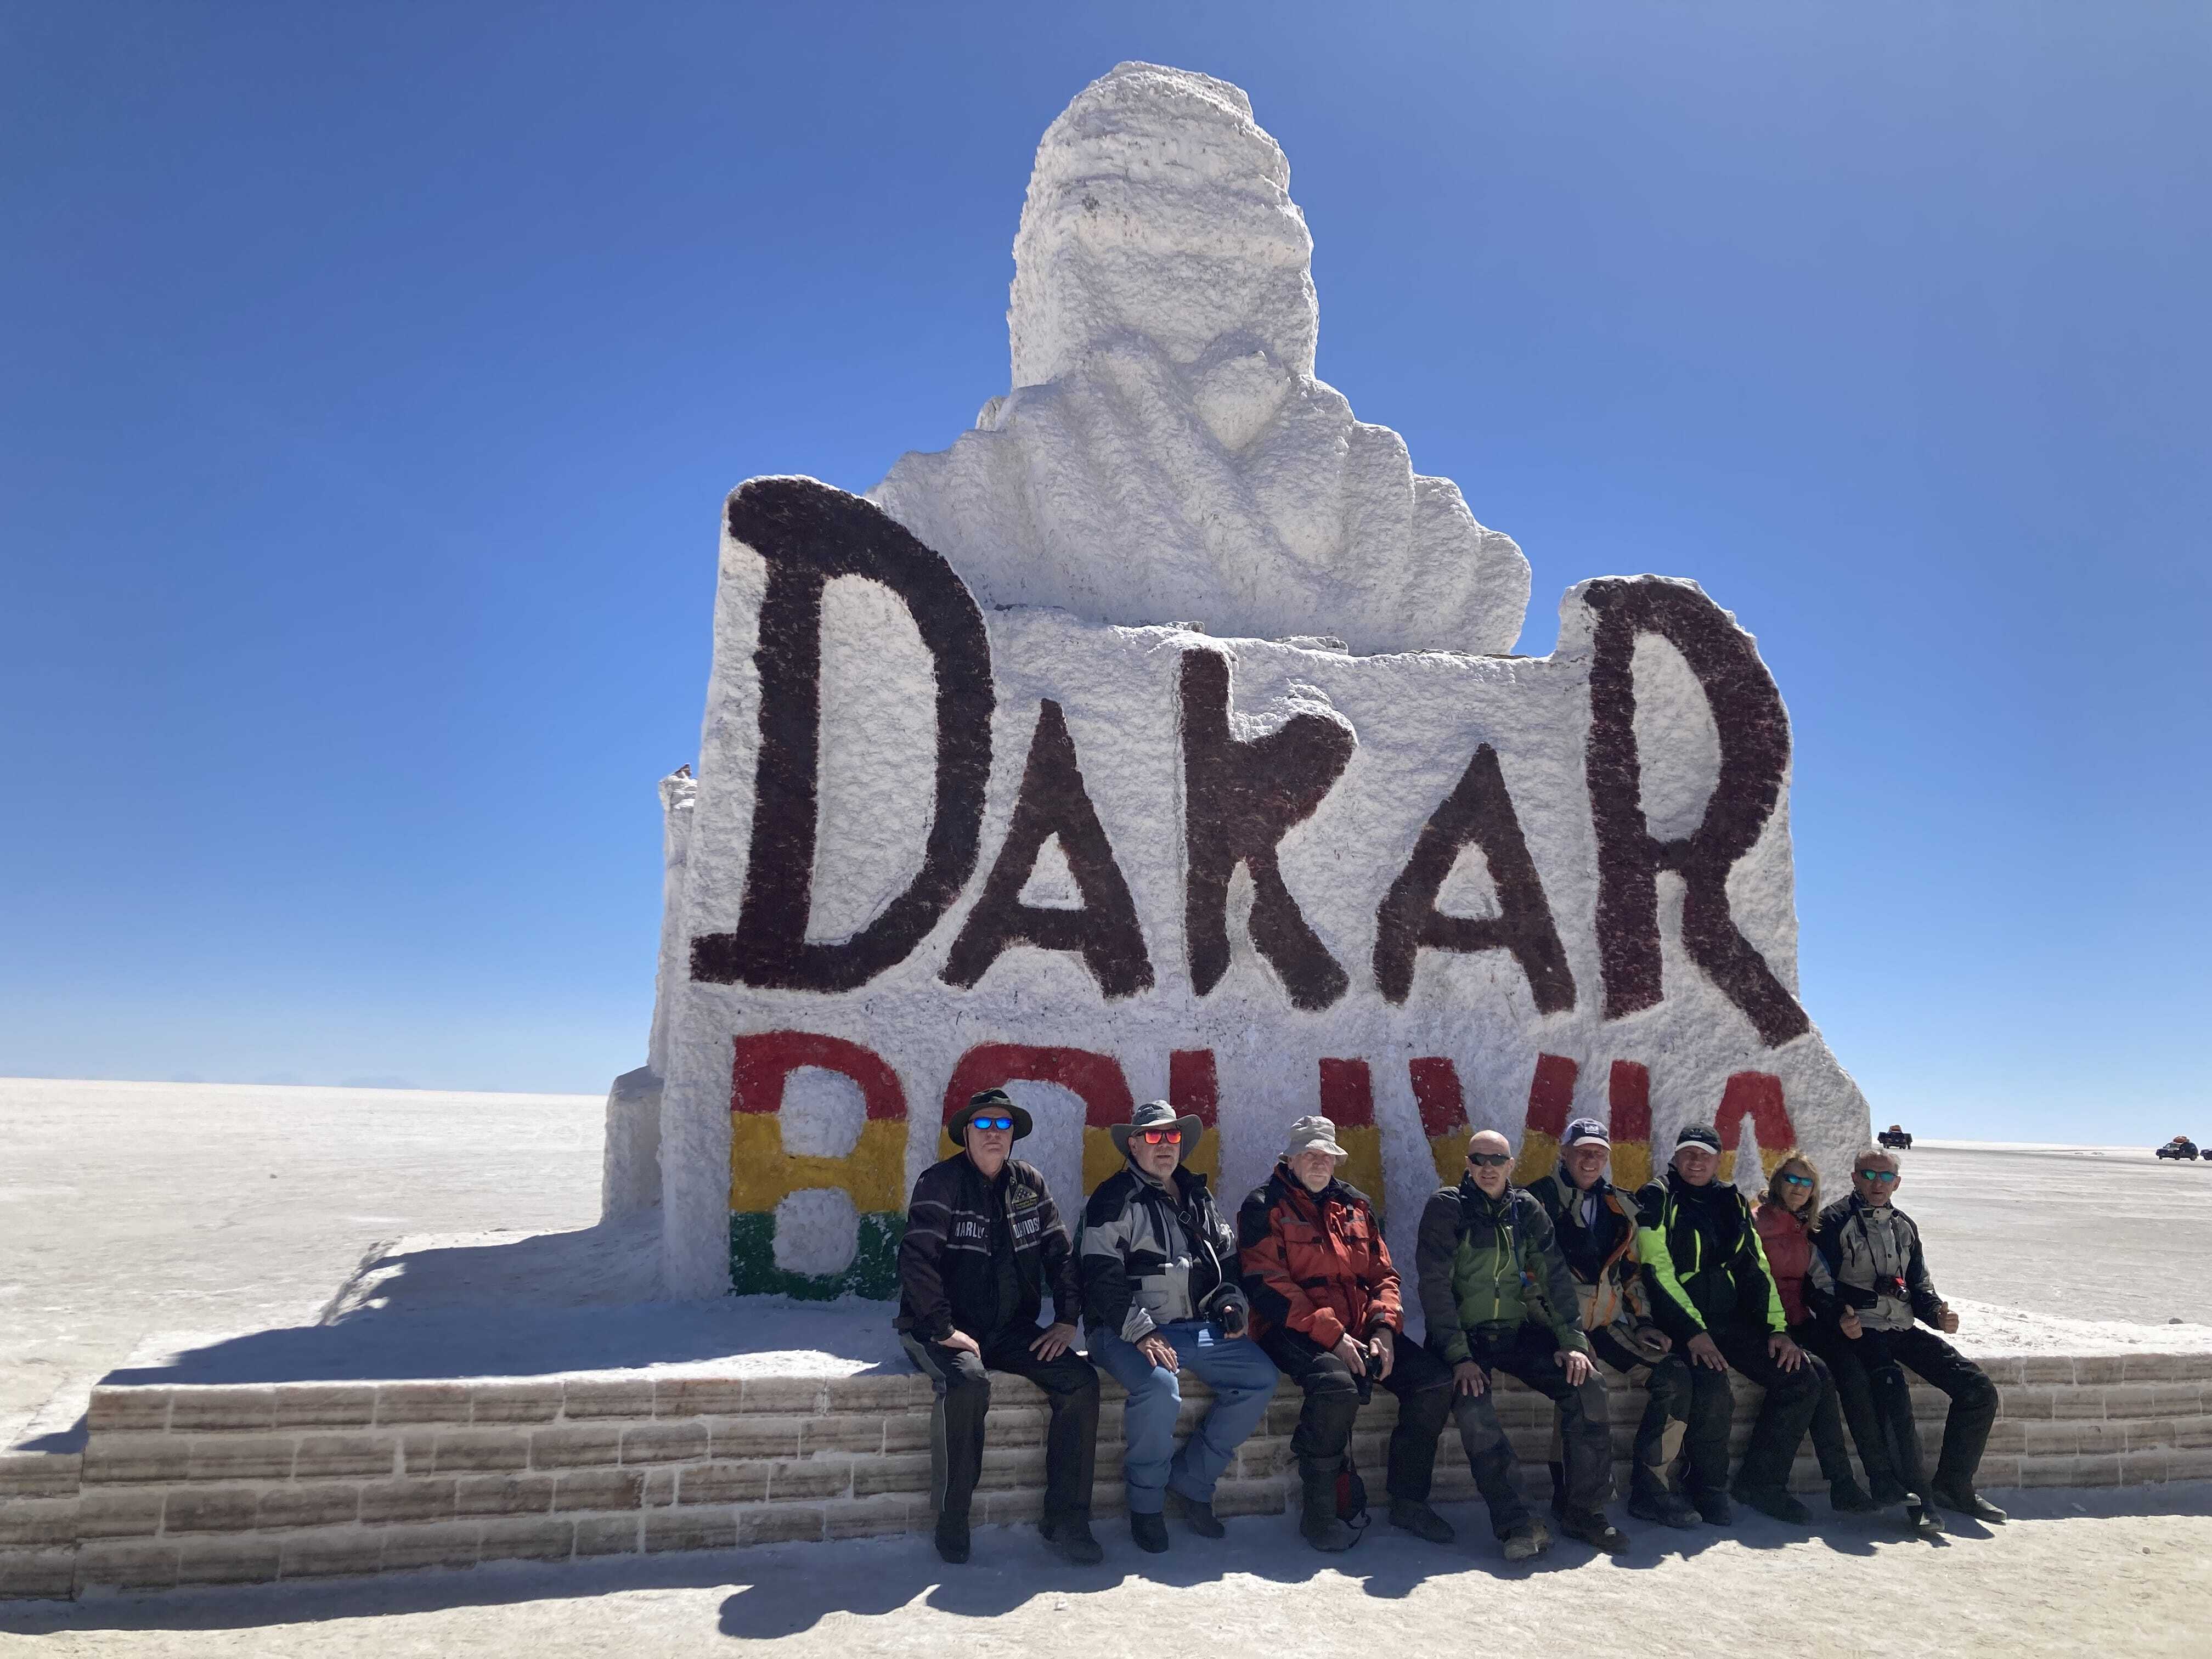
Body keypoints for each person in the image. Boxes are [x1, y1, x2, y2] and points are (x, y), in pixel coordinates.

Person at [895, 1087, 1103, 1566]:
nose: (994, 1134)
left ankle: (1067, 1519)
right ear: (965, 1133)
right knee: (968, 1384)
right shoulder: (940, 1182)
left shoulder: (1029, 1183)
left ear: (1013, 1135)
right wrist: (943, 1328)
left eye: (1003, 1125)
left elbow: (1060, 1254)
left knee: (1080, 1382)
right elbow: (916, 1260)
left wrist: (1068, 1318)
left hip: (1010, 1328)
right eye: (983, 1125)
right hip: (936, 1328)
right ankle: (954, 1516)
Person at [1239, 1115, 1459, 1553]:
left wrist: (1384, 1329)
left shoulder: (1356, 1204)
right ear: (1291, 1157)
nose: (1319, 1163)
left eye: (1327, 1156)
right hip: (1291, 1327)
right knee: (1335, 1389)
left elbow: (1384, 1275)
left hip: (1361, 1326)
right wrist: (1335, 1338)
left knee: (1433, 1383)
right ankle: (1320, 1512)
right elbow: (1268, 1285)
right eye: (1310, 1155)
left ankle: (1408, 1500)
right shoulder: (1264, 1205)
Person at [1417, 1128, 1629, 1559]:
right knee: (1475, 1409)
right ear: (1468, 1164)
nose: (1488, 1168)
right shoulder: (1446, 1207)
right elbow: (1434, 1286)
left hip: (1514, 1332)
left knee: (1587, 1384)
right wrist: (1458, 1356)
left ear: (1511, 1166)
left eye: (1498, 1160)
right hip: (1463, 1338)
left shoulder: (1525, 1209)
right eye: (1479, 1159)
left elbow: (1553, 1275)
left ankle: (1583, 1511)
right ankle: (1517, 1522)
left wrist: (1572, 1340)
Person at [1081, 1100, 1280, 1553]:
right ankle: (1146, 1505)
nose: (1165, 1145)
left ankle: (1192, 1481)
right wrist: (1141, 1332)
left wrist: (1231, 1301)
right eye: (1153, 1136)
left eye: (1172, 1136)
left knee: (1259, 1377)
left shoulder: (1198, 1197)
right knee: (1158, 1389)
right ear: (1133, 1144)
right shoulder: (1113, 1198)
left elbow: (1228, 1259)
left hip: (1196, 1330)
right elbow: (1101, 1277)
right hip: (1125, 1331)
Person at [1807, 1146, 2006, 1528]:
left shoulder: (1904, 1226)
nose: (1876, 1184)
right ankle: (1921, 1501)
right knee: (1892, 1392)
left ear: (1897, 1183)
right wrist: (1839, 1316)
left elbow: (1919, 1285)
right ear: (1854, 1177)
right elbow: (1816, 1286)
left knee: (1978, 1390)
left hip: (1902, 1327)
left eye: (1885, 1177)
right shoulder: (1832, 1222)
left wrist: (1936, 1314)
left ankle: (1954, 1483)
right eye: (1868, 1174)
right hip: (1862, 1330)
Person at [1636, 1123, 1822, 1524]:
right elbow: (1657, 1269)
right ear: (1676, 1157)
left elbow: (1754, 1266)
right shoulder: (1657, 1197)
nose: (1696, 1161)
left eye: (1705, 1154)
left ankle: (1762, 1482)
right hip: (1681, 1323)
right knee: (1713, 1388)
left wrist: (1777, 1329)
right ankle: (1707, 1486)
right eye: (1689, 1153)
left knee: (1803, 1377)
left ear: (1719, 1160)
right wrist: (1693, 1332)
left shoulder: (1730, 1201)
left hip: (1730, 1322)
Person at [1525, 1116, 1700, 1528]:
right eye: (1583, 1151)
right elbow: (1524, 1277)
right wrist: (1560, 1332)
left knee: (1674, 1377)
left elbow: (1631, 1274)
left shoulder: (1621, 1206)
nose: (1591, 1160)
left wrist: (1643, 1322)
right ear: (1563, 1153)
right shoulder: (1534, 1201)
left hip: (1606, 1323)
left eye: (1599, 1153)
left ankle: (1652, 1489)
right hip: (1551, 1326)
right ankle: (1571, 1501)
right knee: (1582, 1383)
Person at [1750, 1152, 1881, 1515]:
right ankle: (1832, 1482)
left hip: (1797, 1320)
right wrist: (1774, 1327)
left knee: (1849, 1366)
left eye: (1806, 1183)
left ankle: (1862, 1480)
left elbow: (1821, 1282)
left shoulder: (1804, 1229)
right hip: (1765, 1324)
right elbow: (1751, 1282)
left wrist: (1841, 1314)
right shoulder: (1757, 1223)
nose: (1798, 1188)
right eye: (1791, 1179)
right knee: (1815, 1376)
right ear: (1777, 1182)